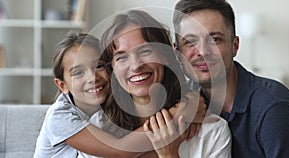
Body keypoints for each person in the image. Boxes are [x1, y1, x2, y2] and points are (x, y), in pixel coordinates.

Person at [34, 31, 205, 158]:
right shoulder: (60, 117)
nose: (93, 78)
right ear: (62, 85)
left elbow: (178, 84)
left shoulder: (111, 102)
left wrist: (192, 99)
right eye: (78, 73)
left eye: (99, 66)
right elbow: (119, 151)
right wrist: (179, 116)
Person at [172, 0, 289, 157]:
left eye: (215, 39)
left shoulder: (274, 109)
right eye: (190, 42)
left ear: (235, 45)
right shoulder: (184, 101)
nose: (203, 52)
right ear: (177, 53)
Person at [100, 9, 231, 158]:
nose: (136, 65)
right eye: (121, 58)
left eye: (145, 51)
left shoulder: (212, 131)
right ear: (113, 70)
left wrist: (170, 155)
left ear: (165, 55)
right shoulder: (99, 128)